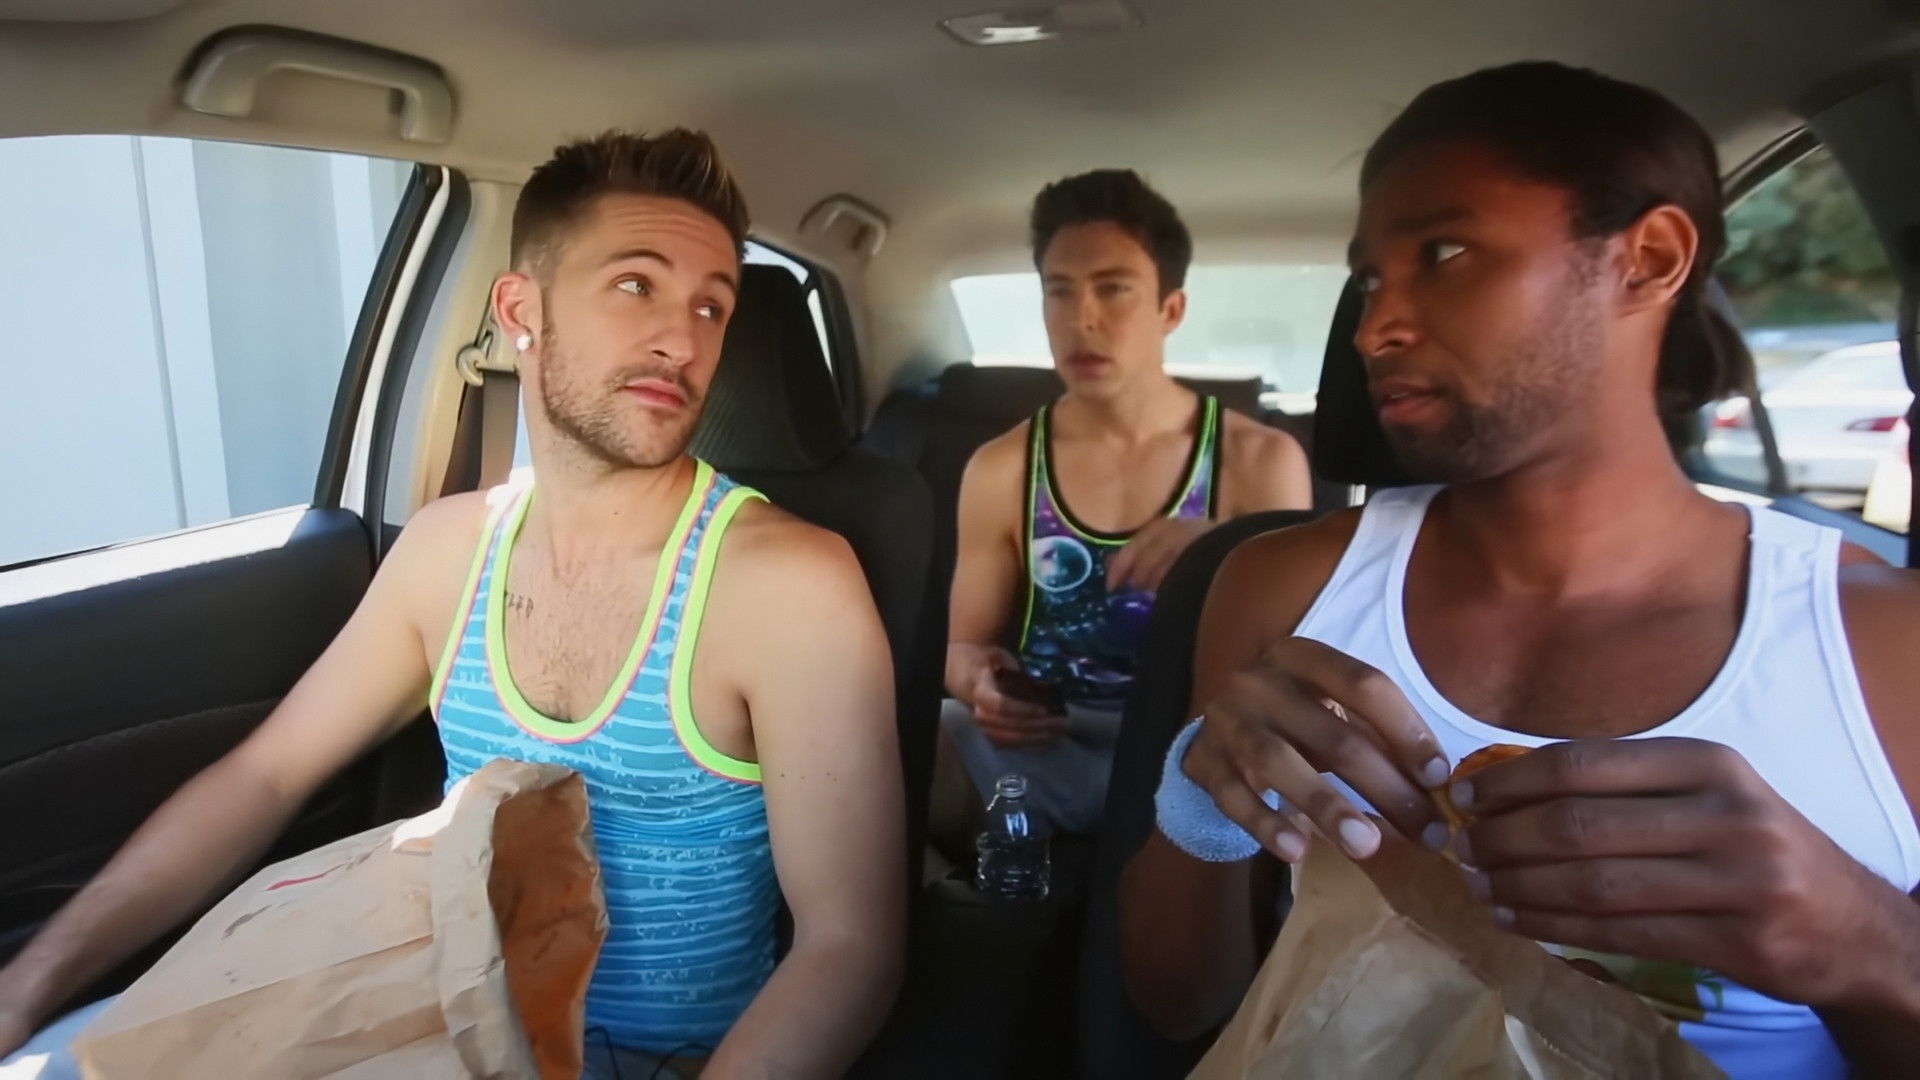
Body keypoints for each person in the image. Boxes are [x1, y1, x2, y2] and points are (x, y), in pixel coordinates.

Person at [0, 129, 905, 1080]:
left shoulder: (788, 585)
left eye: (711, 306)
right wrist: (28, 986)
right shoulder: (450, 551)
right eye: (636, 285)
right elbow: (264, 778)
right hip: (427, 1026)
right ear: (521, 310)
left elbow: (850, 948)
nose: (682, 341)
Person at [1121, 63, 1920, 1079]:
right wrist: (1202, 804)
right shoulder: (1283, 589)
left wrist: (1866, 945)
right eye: (1370, 279)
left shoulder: (1885, 646)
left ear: (1648, 260)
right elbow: (1176, 1003)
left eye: (1444, 254)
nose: (1374, 327)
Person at [934, 169, 1313, 849]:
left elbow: (1294, 668)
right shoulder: (1002, 467)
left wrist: (1222, 552)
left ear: (1171, 309)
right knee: (904, 740)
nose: (1081, 318)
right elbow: (963, 645)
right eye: (1060, 291)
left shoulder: (1259, 460)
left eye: (1112, 288)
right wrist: (976, 683)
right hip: (1041, 747)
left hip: (1198, 752)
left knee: (1281, 764)